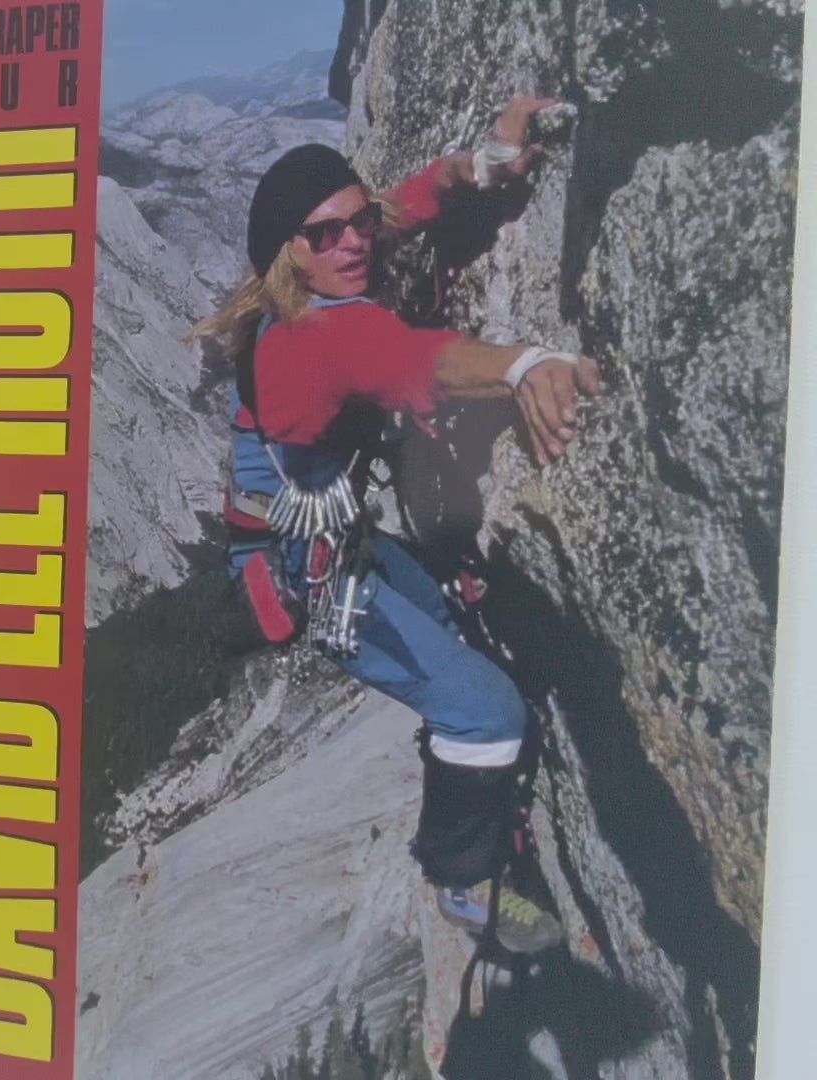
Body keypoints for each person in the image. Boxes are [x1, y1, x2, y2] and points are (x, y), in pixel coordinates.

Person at [194, 96, 600, 954]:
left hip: (333, 536)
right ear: (291, 253)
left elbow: (401, 204)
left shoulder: (313, 274)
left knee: (449, 622)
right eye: (327, 233)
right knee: (488, 711)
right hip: (316, 570)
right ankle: (460, 880)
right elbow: (413, 361)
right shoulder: (312, 338)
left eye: (357, 223)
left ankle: (456, 758)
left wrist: (480, 163)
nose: (354, 242)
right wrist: (526, 363)